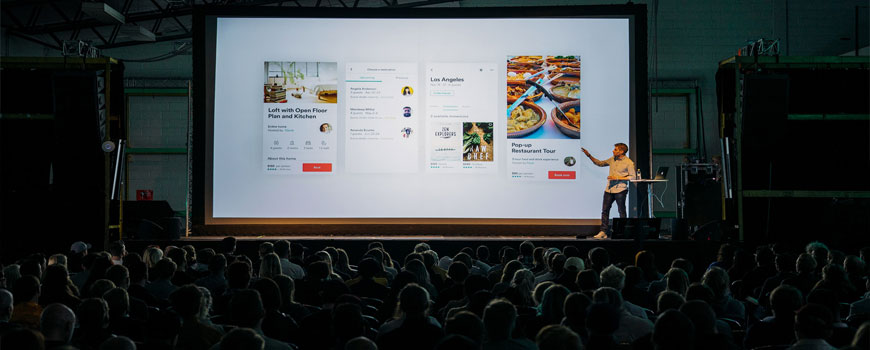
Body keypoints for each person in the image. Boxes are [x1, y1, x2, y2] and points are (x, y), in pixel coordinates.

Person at [581, 143, 636, 239]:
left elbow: (633, 177)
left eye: (615, 149)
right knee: (605, 211)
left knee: (621, 211)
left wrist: (617, 178)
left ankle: (623, 232)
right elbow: (600, 163)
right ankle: (603, 232)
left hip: (620, 189)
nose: (613, 151)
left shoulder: (629, 162)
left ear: (621, 151)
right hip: (609, 189)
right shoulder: (612, 159)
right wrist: (589, 155)